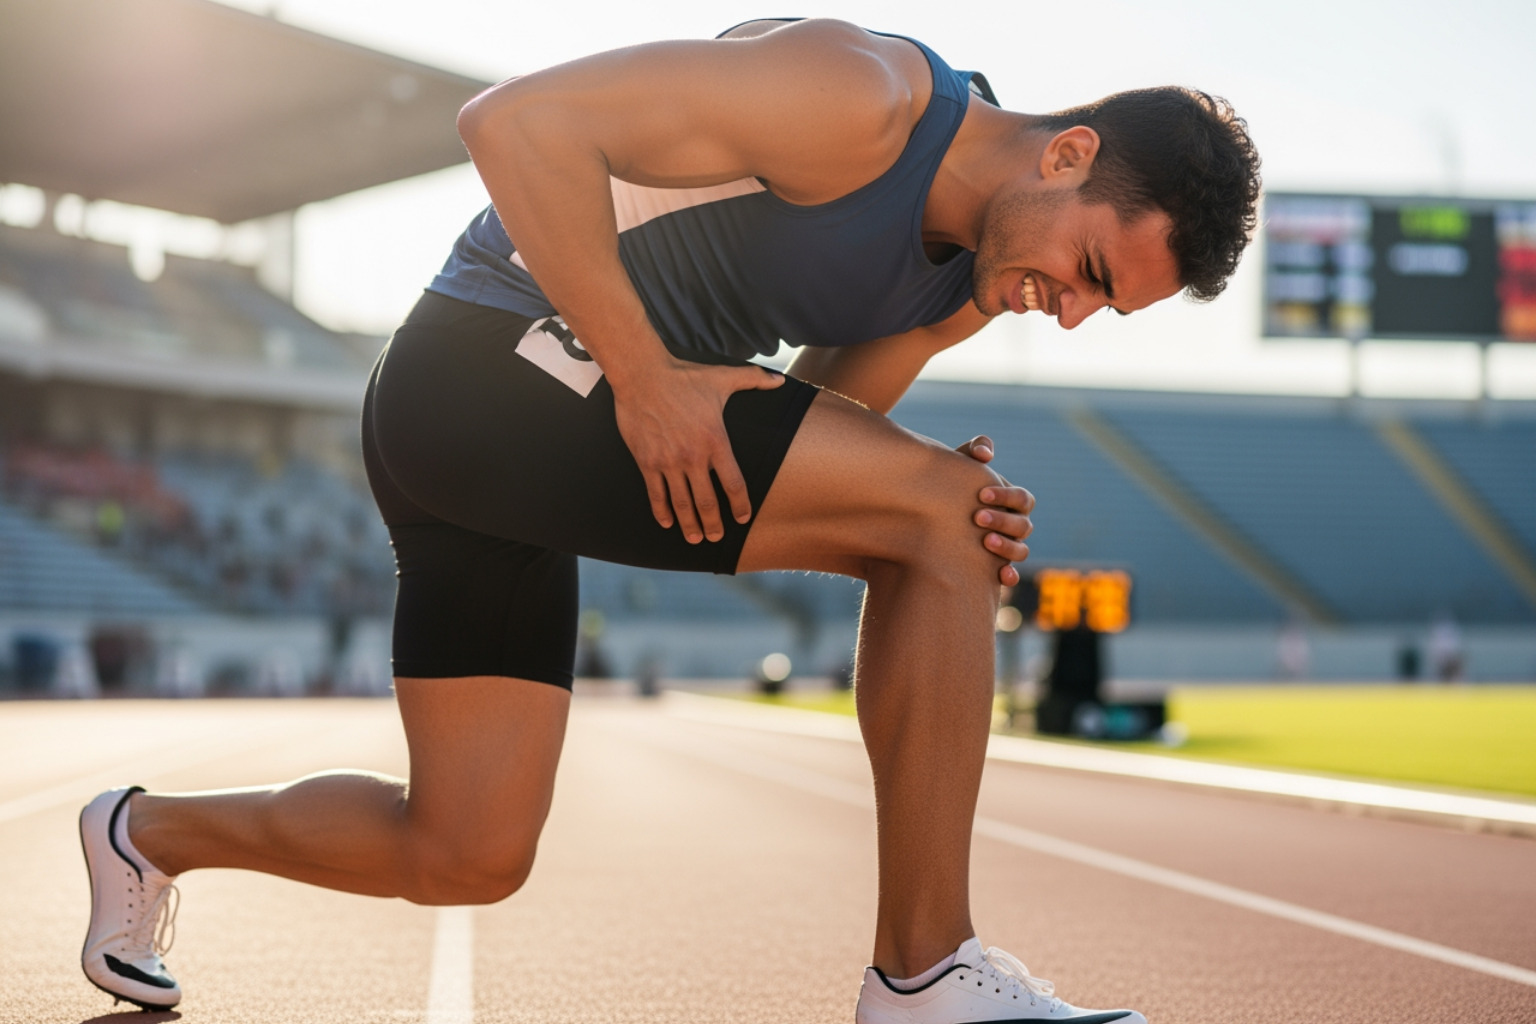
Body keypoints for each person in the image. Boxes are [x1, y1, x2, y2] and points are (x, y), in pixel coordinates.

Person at [77, 18, 1259, 1022]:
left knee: (466, 849)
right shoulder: (861, 98)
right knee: (946, 523)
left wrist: (901, 479)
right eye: (1094, 271)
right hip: (485, 369)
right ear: (1068, 153)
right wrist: (656, 381)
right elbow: (510, 122)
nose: (1069, 315)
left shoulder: (966, 286)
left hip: (549, 435)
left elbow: (821, 412)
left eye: (1106, 312)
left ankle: (147, 833)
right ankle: (926, 975)